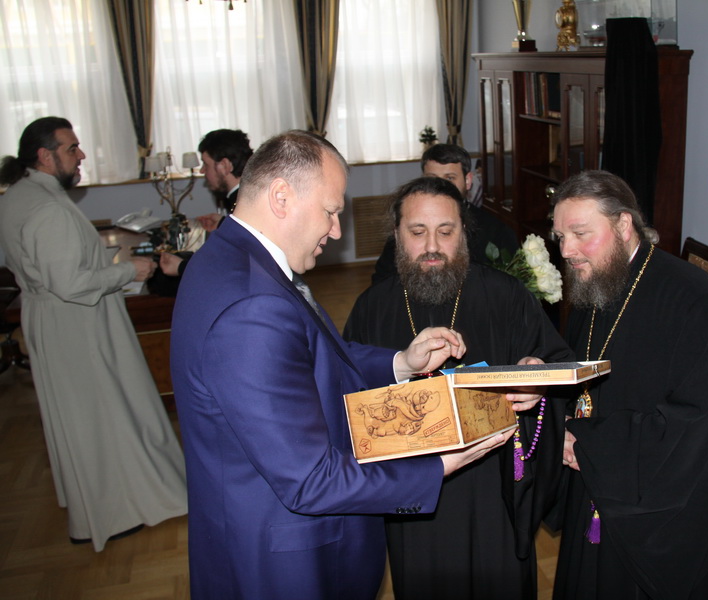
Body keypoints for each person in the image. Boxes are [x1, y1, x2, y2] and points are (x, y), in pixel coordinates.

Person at [169, 130, 513, 600]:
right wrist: (436, 467)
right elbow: (311, 480)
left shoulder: (230, 259)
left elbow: (305, 358)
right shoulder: (250, 306)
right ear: (281, 197)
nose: (335, 231)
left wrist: (400, 362)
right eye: (331, 212)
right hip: (285, 562)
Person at [344, 176, 574, 600]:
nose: (432, 246)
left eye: (446, 231)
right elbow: (349, 402)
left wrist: (537, 381)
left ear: (464, 234)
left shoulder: (506, 296)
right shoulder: (371, 308)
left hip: (493, 490)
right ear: (397, 235)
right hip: (414, 495)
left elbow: (556, 364)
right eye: (417, 232)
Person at [549, 170, 708, 599]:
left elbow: (700, 432)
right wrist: (545, 375)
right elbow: (585, 373)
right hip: (601, 486)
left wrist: (591, 444)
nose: (566, 250)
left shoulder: (698, 306)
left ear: (624, 225)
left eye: (580, 234)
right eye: (560, 237)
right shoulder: (599, 282)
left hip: (660, 518)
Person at [0, 117, 188, 551]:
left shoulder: (21, 195)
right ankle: (116, 509)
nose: (81, 155)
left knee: (83, 416)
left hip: (51, 317)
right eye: (71, 148)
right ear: (45, 156)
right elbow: (70, 283)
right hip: (75, 323)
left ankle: (104, 501)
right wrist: (128, 270)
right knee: (99, 414)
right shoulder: (47, 208)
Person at [371, 143, 518, 284]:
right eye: (432, 178)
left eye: (450, 178)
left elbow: (509, 284)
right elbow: (383, 281)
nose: (441, 186)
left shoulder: (496, 231)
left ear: (468, 180)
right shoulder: (407, 227)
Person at [158, 128, 253, 278]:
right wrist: (222, 223)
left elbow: (232, 268)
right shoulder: (248, 196)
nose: (202, 171)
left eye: (206, 164)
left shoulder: (243, 205)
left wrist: (182, 267)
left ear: (224, 166)